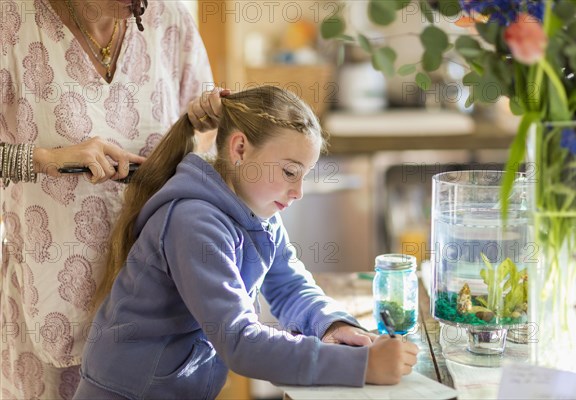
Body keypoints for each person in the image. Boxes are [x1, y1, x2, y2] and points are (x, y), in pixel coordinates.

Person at [73, 86, 419, 399]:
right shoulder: (193, 222)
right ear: (239, 148)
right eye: (289, 172)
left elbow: (290, 287)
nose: (298, 192)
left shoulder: (259, 211)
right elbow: (240, 341)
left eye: (304, 175)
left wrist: (334, 325)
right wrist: (361, 367)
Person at [0, 0, 216, 397]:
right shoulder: (12, 20)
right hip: (51, 303)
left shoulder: (170, 19)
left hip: (155, 304)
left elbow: (200, 139)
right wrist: (47, 159)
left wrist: (199, 123)